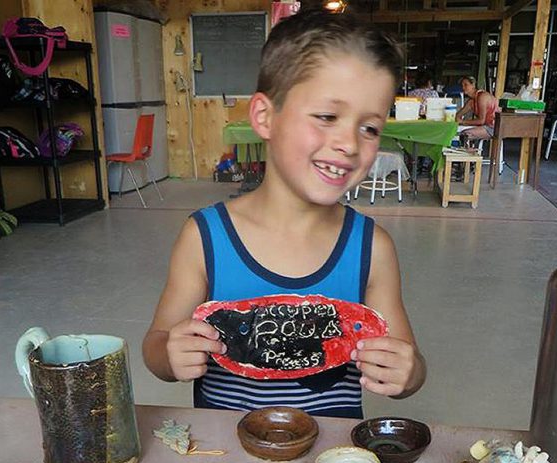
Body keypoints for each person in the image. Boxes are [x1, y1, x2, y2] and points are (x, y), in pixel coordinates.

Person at [142, 10, 426, 419]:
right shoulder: (205, 237)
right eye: (327, 116)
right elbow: (157, 343)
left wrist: (407, 370)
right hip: (226, 461)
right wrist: (171, 355)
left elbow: (410, 363)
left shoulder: (372, 247)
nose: (348, 143)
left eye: (369, 128)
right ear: (264, 117)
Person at [456, 75, 499, 141]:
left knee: (465, 134)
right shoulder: (471, 101)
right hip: (485, 126)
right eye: (462, 85)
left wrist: (462, 121)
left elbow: (481, 121)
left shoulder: (482, 97)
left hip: (494, 127)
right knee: (457, 131)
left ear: (473, 85)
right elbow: (458, 115)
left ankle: (470, 150)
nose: (463, 87)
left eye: (466, 85)